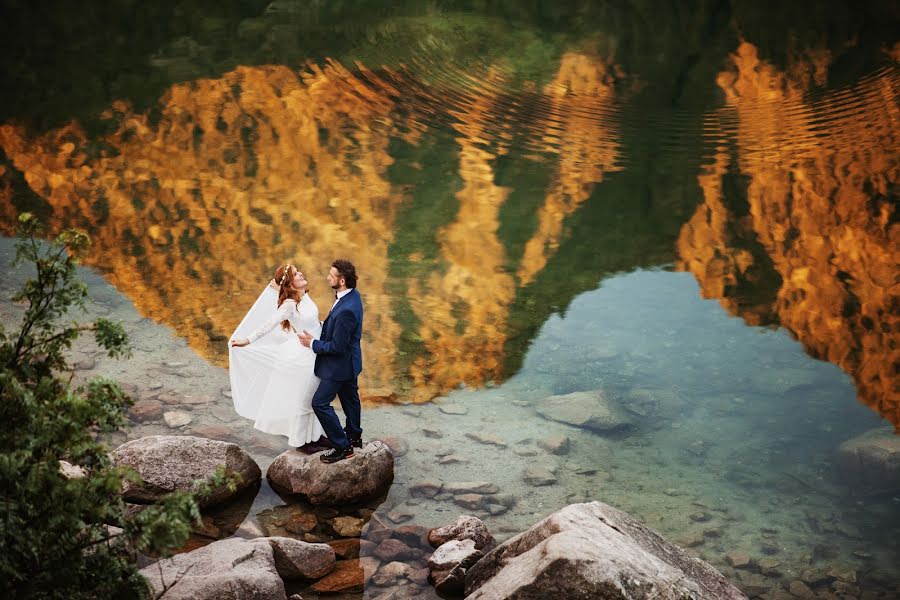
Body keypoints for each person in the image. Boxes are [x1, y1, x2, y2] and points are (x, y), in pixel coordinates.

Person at [229, 264, 327, 450]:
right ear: (290, 283)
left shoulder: (304, 295)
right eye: (296, 274)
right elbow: (269, 324)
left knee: (315, 395)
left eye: (299, 271)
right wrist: (247, 340)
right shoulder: (289, 305)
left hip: (317, 349)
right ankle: (301, 442)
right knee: (305, 399)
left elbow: (314, 322)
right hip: (304, 356)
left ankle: (315, 436)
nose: (301, 274)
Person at [298, 259, 363, 463]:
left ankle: (343, 447)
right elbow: (340, 330)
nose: (327, 277)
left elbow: (336, 347)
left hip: (339, 367)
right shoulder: (351, 296)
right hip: (351, 362)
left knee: (319, 403)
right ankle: (354, 436)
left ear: (341, 280)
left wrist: (312, 343)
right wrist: (322, 326)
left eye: (331, 275)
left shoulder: (346, 309)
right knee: (350, 399)